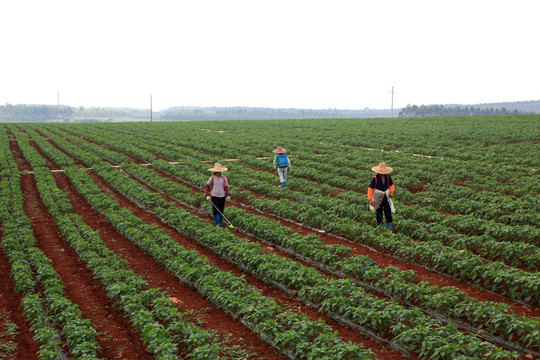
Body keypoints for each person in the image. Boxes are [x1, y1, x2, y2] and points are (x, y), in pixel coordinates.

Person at [367, 162, 395, 231]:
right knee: (379, 212)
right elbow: (370, 188)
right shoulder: (375, 178)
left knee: (388, 212)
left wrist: (391, 192)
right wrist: (370, 199)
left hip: (386, 197)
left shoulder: (388, 177)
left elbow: (391, 185)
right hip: (378, 197)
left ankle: (389, 227)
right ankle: (379, 226)